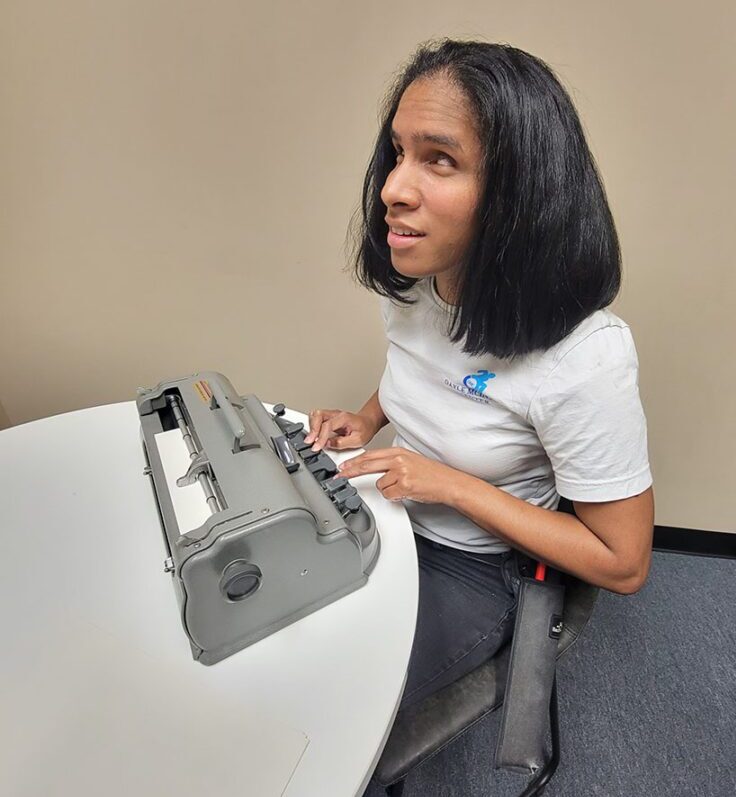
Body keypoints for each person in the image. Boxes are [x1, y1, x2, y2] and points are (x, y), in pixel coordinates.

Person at [304, 39, 654, 711]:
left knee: (330, 700)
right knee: (273, 631)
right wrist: (368, 418)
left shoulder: (586, 357)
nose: (392, 189)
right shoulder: (418, 284)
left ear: (519, 190)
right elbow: (426, 370)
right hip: (387, 511)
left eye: (439, 159)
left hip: (473, 567)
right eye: (399, 153)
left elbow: (625, 561)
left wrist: (455, 486)